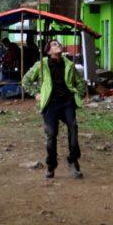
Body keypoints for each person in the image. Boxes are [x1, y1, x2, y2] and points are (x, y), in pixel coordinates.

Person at [22, 39, 86, 180]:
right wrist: (36, 93)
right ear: (49, 50)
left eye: (59, 44)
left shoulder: (69, 64)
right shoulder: (41, 65)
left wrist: (77, 94)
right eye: (55, 44)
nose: (59, 46)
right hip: (50, 104)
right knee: (51, 134)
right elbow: (26, 80)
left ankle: (73, 161)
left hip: (67, 102)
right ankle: (51, 165)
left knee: (73, 127)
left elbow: (80, 82)